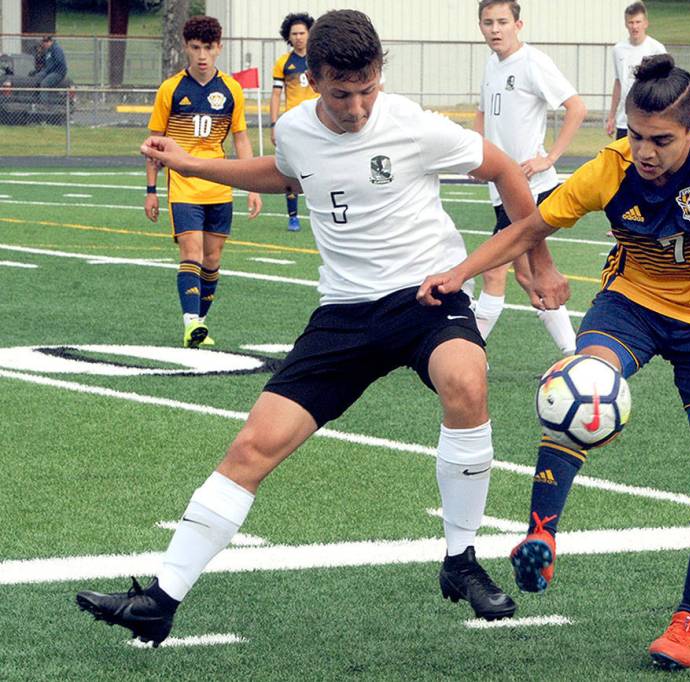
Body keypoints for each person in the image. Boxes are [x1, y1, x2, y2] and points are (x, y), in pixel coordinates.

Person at [75, 9, 566, 647]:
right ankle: (161, 601)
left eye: (367, 89)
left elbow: (503, 169)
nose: (358, 106)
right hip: (342, 315)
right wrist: (193, 164)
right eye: (341, 93)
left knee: (467, 381)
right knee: (252, 448)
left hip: (424, 296)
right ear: (313, 79)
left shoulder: (412, 125)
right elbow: (284, 171)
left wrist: (538, 260)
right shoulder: (295, 128)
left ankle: (460, 560)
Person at [419, 54, 690, 670]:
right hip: (634, 305)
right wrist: (459, 272)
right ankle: (542, 529)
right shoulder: (611, 167)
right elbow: (530, 226)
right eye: (635, 135)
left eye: (660, 140)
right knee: (579, 382)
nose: (644, 151)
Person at [473, 0, 585, 357]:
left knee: (493, 272)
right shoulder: (492, 64)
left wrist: (548, 157)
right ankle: (574, 355)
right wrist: (476, 156)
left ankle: (469, 354)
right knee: (528, 277)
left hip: (527, 189)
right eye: (488, 22)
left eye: (502, 21)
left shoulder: (532, 62)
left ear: (518, 25)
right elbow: (482, 114)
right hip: (500, 188)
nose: (495, 29)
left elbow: (576, 107)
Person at [142, 16, 262, 348]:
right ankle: (190, 322)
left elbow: (241, 139)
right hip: (182, 184)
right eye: (195, 48)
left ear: (219, 48)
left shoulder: (231, 89)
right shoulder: (171, 89)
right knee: (191, 250)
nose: (202, 55)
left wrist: (252, 184)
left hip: (218, 183)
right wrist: (151, 190)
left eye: (208, 48)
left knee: (213, 259)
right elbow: (154, 143)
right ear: (186, 48)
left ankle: (201, 323)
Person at [271, 12, 318, 232]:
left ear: (310, 34)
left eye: (302, 33)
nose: (299, 37)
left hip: (318, 122)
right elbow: (275, 94)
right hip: (293, 123)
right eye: (294, 34)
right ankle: (293, 216)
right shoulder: (283, 62)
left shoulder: (319, 58)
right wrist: (273, 123)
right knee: (290, 169)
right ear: (288, 37)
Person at [605, 2, 665, 140]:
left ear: (645, 23)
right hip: (624, 121)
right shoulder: (618, 49)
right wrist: (611, 116)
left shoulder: (657, 49)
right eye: (631, 22)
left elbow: (664, 85)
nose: (635, 26)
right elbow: (619, 82)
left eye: (638, 22)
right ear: (626, 24)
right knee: (622, 160)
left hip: (648, 120)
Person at [30, 35, 67, 105]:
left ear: (51, 41)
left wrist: (48, 70)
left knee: (44, 83)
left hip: (58, 72)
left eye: (46, 42)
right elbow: (44, 63)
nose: (45, 44)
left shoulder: (56, 49)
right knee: (37, 77)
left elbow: (59, 62)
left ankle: (44, 105)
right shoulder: (48, 51)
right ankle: (35, 101)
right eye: (44, 42)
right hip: (49, 72)